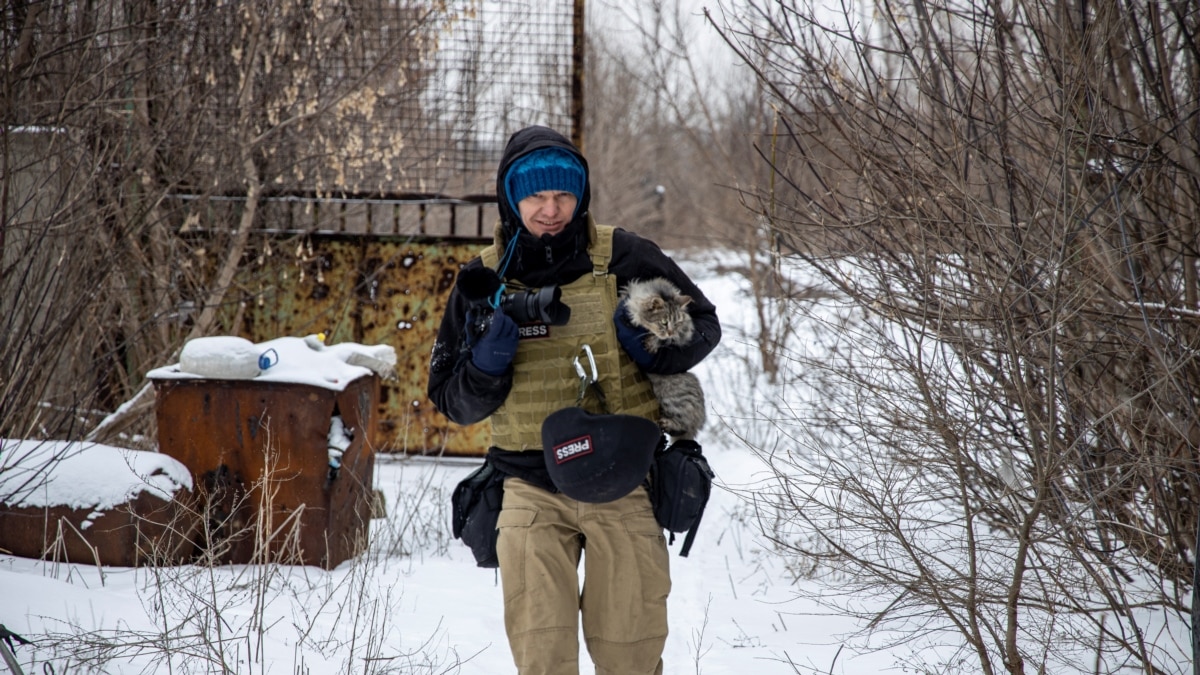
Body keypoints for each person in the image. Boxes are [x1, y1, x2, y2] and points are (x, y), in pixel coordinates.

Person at [427, 125, 720, 675]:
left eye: (563, 194)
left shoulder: (625, 255)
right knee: (543, 658)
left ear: (580, 195)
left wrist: (650, 342)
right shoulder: (484, 280)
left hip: (624, 480)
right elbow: (451, 400)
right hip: (528, 486)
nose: (550, 209)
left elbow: (703, 326)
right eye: (535, 195)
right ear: (511, 197)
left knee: (630, 654)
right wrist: (487, 364)